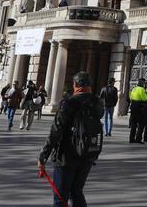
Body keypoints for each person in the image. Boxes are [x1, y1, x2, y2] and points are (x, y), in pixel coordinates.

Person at [38, 72, 103, 207]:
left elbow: (55, 131)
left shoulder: (69, 103)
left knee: (60, 197)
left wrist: (43, 156)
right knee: (77, 191)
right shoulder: (97, 102)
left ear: (75, 85)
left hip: (66, 156)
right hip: (87, 153)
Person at [128, 78, 147, 144]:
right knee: (141, 125)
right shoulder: (142, 89)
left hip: (133, 107)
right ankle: (138, 139)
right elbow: (144, 98)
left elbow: (130, 97)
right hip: (140, 109)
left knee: (133, 125)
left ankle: (131, 139)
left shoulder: (134, 89)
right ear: (142, 83)